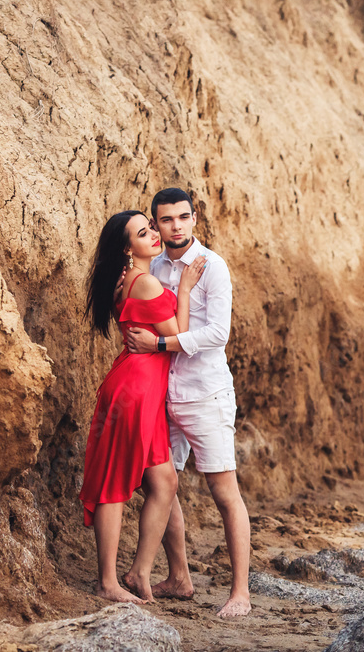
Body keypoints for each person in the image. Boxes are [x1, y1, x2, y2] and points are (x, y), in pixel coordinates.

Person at [125, 188, 252, 618]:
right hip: (164, 394)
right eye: (166, 219)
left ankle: (240, 593)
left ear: (194, 218)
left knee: (224, 491)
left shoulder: (212, 266)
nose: (175, 226)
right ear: (157, 225)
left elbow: (218, 333)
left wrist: (159, 344)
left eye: (183, 217)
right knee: (159, 484)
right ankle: (179, 577)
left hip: (205, 394)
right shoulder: (154, 266)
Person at [80, 210, 206, 604]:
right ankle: (107, 582)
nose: (153, 234)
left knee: (165, 483)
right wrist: (184, 290)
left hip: (141, 390)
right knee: (113, 484)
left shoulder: (129, 279)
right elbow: (179, 335)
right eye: (142, 232)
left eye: (150, 227)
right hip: (134, 391)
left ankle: (138, 571)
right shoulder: (145, 282)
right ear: (126, 248)